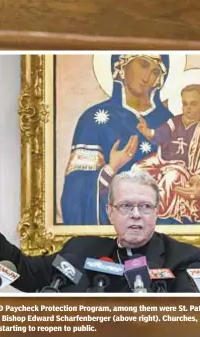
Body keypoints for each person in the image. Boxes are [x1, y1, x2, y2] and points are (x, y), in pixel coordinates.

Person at [0, 172, 200, 293]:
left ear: (156, 213)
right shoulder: (80, 250)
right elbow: (26, 272)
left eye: (145, 206)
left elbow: (188, 315)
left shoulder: (184, 258)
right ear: (110, 212)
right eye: (126, 206)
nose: (136, 215)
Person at [61, 54, 174, 225]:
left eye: (155, 72)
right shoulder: (93, 119)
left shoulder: (170, 122)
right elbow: (76, 192)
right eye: (143, 64)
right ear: (122, 67)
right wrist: (112, 168)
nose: (146, 77)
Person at [135, 83, 200, 224]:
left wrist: (199, 175)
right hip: (163, 159)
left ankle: (156, 212)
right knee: (137, 169)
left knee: (170, 178)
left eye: (193, 104)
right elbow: (160, 134)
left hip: (183, 167)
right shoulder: (175, 121)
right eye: (185, 103)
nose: (188, 108)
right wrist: (147, 131)